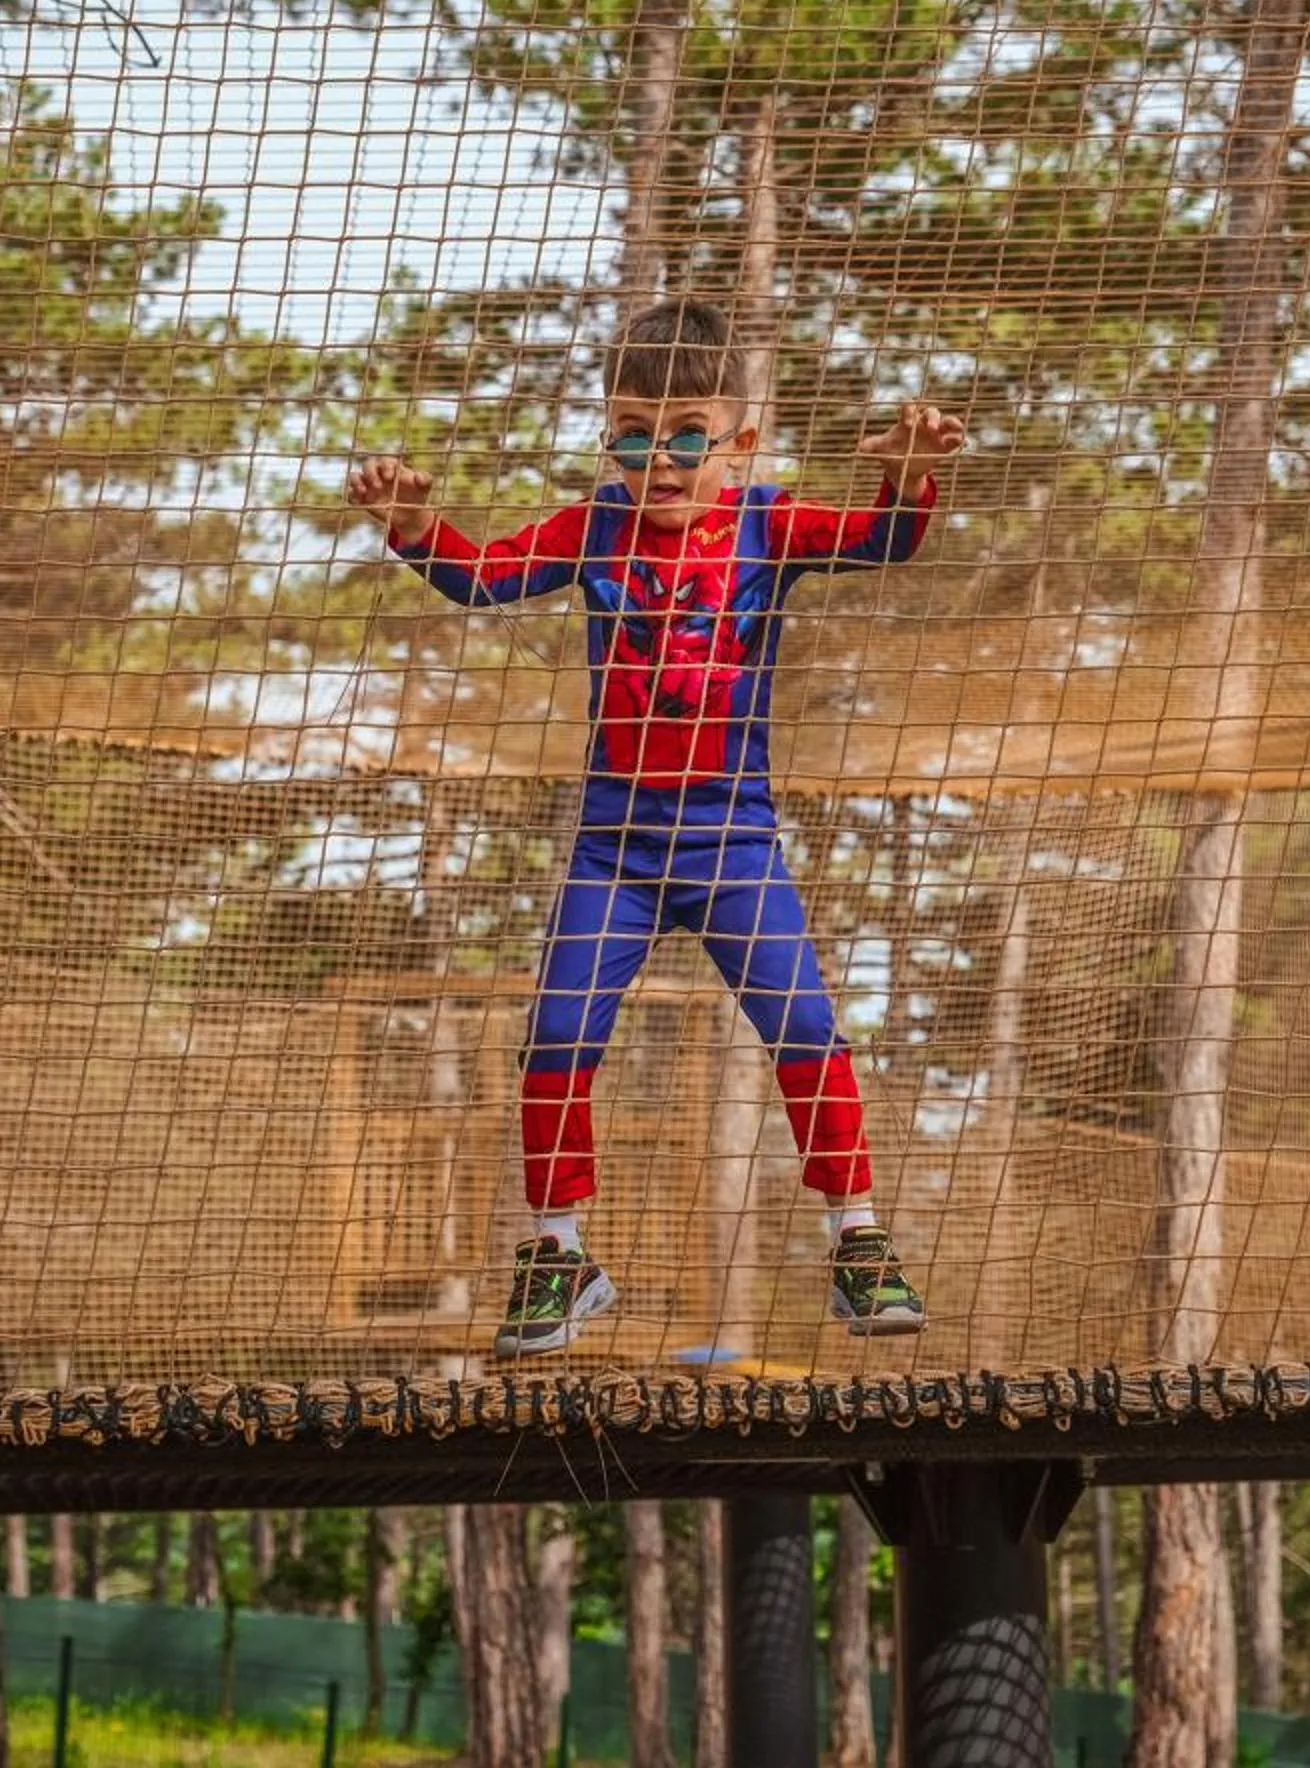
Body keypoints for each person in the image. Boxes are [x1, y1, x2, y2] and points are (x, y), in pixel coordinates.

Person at [349, 297, 966, 1356]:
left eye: (686, 432)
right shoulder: (592, 525)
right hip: (616, 845)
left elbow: (882, 542)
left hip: (733, 841)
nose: (659, 458)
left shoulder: (770, 524)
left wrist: (906, 473)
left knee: (808, 1030)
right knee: (555, 1039)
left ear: (740, 437)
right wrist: (413, 526)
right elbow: (484, 576)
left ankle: (857, 1237)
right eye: (633, 434)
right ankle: (559, 1251)